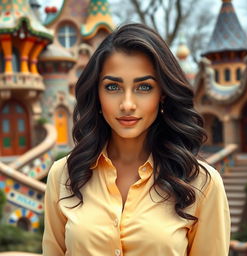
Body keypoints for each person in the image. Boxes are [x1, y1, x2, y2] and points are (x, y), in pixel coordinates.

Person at [42, 23, 230, 256]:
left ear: (162, 94)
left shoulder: (202, 183)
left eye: (144, 87)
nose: (127, 104)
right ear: (97, 94)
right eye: (113, 87)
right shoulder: (64, 175)